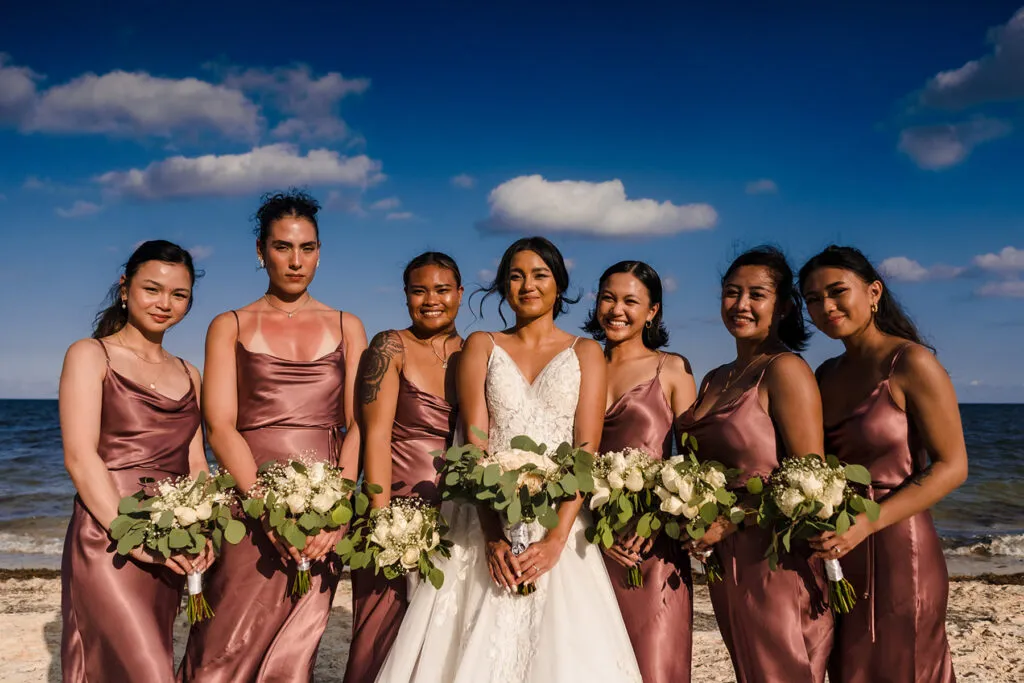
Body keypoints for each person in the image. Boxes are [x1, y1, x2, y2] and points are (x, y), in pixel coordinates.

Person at [377, 236, 642, 682]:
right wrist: (493, 535)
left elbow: (586, 450)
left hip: (561, 520)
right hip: (486, 516)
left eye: (540, 275)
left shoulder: (586, 352)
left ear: (559, 283)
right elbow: (474, 444)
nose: (527, 285)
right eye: (515, 276)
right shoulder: (482, 345)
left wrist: (556, 541)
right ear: (502, 285)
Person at [180, 191, 367, 682]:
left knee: (296, 648)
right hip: (250, 501)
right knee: (225, 640)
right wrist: (266, 507)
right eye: (283, 247)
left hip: (326, 506)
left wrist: (338, 515)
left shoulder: (349, 326)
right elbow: (219, 425)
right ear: (261, 251)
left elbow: (358, 426)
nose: (296, 260)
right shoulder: (229, 324)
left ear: (320, 252)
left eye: (307, 248)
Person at [800, 245, 965, 683]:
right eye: (813, 300)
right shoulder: (824, 374)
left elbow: (952, 466)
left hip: (899, 545)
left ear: (873, 292)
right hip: (840, 546)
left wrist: (869, 524)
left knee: (904, 664)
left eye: (837, 292)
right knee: (852, 668)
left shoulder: (911, 362)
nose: (826, 307)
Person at [675, 246, 833, 683]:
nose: (741, 305)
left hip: (774, 557)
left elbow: (809, 484)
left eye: (756, 295)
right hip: (726, 559)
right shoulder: (715, 376)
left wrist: (727, 522)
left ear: (783, 306)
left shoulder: (785, 371)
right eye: (731, 292)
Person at [59, 240, 209, 682]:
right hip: (108, 541)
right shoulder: (90, 355)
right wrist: (135, 540)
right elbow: (80, 459)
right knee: (144, 669)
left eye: (178, 294)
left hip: (171, 538)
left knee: (150, 657)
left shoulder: (188, 372)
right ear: (125, 289)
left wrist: (197, 530)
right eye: (152, 289)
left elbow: (196, 461)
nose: (165, 304)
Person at [344, 252, 463, 683]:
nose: (431, 299)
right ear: (406, 296)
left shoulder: (476, 352)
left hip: (457, 513)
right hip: (393, 506)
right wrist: (382, 520)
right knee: (381, 629)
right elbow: (373, 435)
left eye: (442, 289)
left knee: (441, 632)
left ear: (460, 294)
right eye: (419, 290)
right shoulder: (389, 345)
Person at [582, 260, 697, 683]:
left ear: (652, 312)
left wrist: (658, 523)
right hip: (587, 544)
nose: (617, 309)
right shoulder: (578, 364)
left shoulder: (672, 369)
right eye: (608, 298)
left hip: (651, 548)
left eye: (631, 301)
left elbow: (692, 464)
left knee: (653, 667)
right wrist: (592, 528)